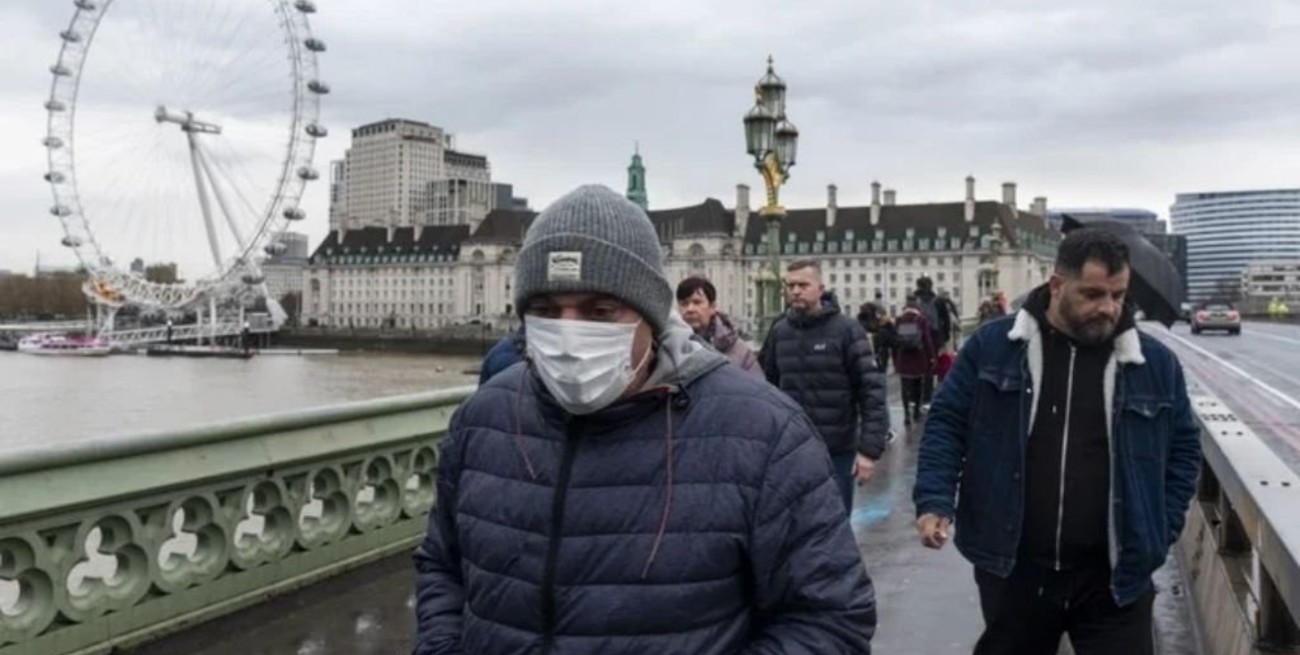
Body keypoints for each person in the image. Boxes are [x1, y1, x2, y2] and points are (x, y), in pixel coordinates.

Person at [413, 185, 877, 655]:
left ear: (651, 316)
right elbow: (442, 568)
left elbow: (830, 620)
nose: (570, 333)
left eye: (599, 311)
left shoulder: (765, 434)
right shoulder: (483, 418)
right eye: (546, 311)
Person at [913, 228, 1203, 655]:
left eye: (1118, 295)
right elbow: (947, 423)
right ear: (1056, 285)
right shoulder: (993, 347)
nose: (1108, 308)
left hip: (1115, 579)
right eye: (1092, 294)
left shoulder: (1155, 364)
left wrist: (1161, 528)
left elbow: (1184, 450)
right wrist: (935, 500)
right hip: (1015, 570)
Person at [760, 261, 890, 513]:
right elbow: (767, 391)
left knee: (834, 520)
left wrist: (868, 451)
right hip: (790, 450)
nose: (795, 291)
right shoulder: (780, 332)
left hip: (836, 450)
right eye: (790, 285)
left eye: (803, 285)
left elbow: (871, 391)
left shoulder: (846, 330)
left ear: (821, 289)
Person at [675, 276, 762, 377]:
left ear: (712, 307)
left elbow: (756, 384)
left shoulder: (739, 351)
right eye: (684, 304)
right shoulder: (668, 348)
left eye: (697, 302)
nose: (690, 309)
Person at [892, 295, 935, 427]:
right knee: (918, 385)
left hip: (904, 358)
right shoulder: (921, 319)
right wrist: (931, 356)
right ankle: (916, 411)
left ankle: (906, 414)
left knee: (905, 387)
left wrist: (895, 360)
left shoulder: (899, 320)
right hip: (918, 357)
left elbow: (895, 340)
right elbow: (927, 339)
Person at [857, 302, 895, 374]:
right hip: (877, 345)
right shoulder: (869, 319)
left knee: (880, 362)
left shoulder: (880, 320)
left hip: (878, 345)